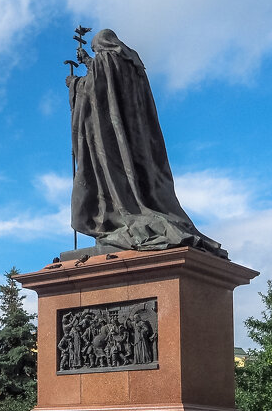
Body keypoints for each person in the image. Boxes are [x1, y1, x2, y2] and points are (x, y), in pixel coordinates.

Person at [66, 28, 225, 258]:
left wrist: (74, 84)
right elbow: (111, 82)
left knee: (111, 183)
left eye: (95, 49)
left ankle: (118, 217)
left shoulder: (106, 59)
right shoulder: (131, 62)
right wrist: (90, 63)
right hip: (135, 139)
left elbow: (97, 89)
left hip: (111, 139)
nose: (96, 53)